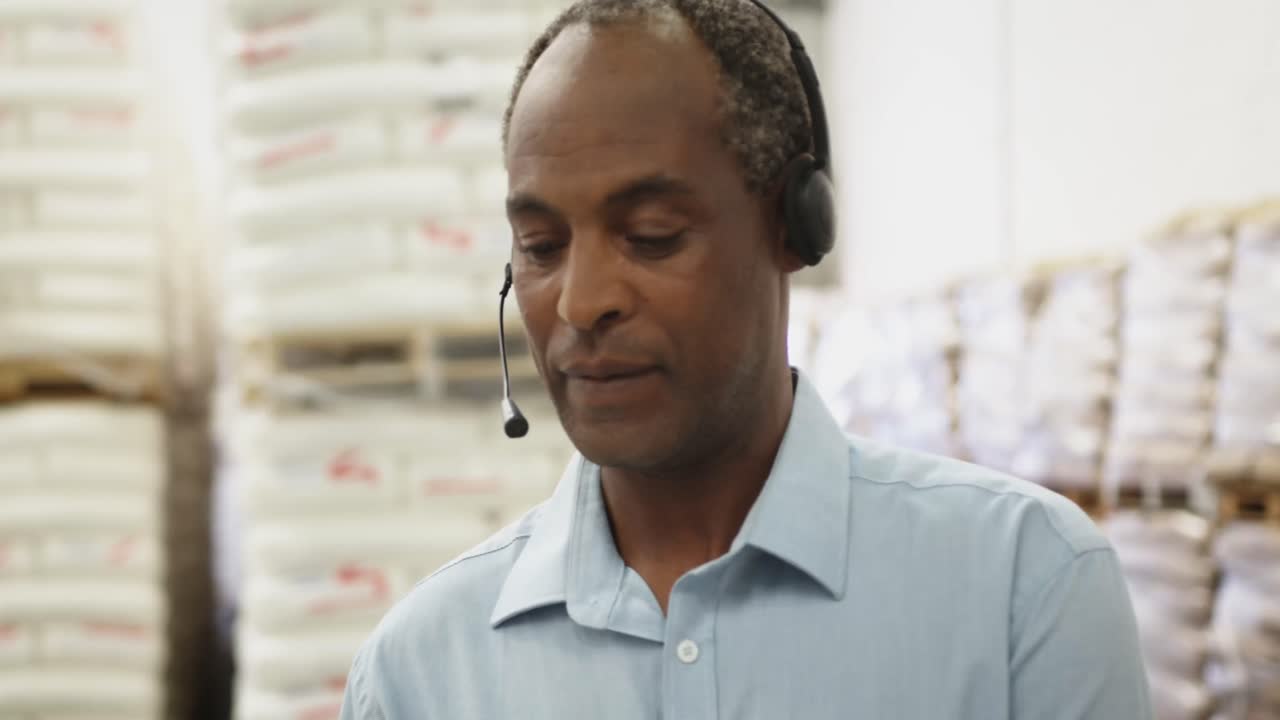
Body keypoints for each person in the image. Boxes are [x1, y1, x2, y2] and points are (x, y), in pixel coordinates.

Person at [340, 1, 1152, 717]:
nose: (582, 301)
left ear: (795, 228)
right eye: (541, 246)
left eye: (651, 235)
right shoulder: (418, 672)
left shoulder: (1022, 586)